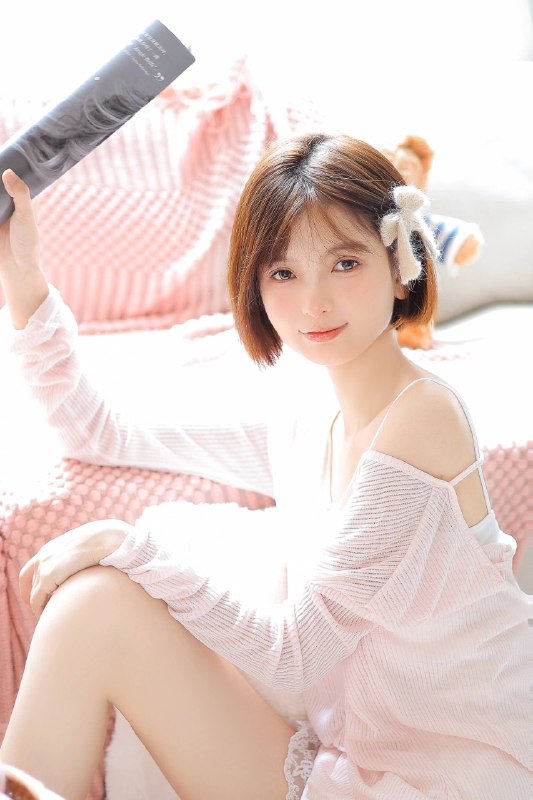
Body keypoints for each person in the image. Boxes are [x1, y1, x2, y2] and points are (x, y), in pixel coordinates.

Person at [0, 133, 530, 800]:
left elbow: (295, 654)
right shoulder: (312, 413)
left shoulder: (422, 417)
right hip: (351, 761)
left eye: (344, 263)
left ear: (401, 266)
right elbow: (100, 432)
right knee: (92, 607)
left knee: (103, 597)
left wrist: (133, 549)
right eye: (283, 273)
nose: (313, 302)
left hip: (443, 784)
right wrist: (23, 279)